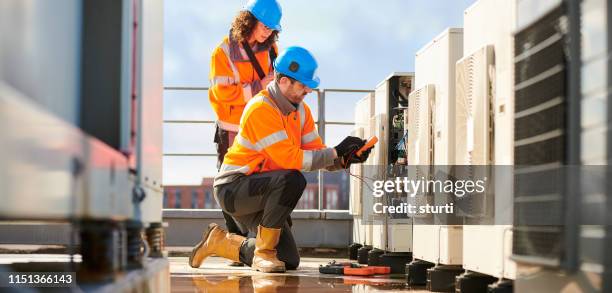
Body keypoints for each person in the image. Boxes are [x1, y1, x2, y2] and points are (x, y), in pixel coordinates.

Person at [190, 46, 372, 273]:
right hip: (234, 189)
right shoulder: (261, 109)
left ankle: (219, 242)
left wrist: (345, 158)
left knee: (287, 260)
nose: (308, 90)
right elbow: (290, 159)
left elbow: (315, 151)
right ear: (284, 81)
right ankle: (263, 255)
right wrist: (335, 152)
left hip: (264, 190)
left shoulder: (301, 111)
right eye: (303, 85)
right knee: (293, 179)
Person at [208, 0, 282, 266]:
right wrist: (259, 86)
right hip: (232, 130)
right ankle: (233, 243)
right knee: (229, 184)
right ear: (249, 20)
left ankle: (256, 244)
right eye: (264, 26)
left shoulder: (272, 48)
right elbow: (223, 93)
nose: (268, 32)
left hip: (260, 129)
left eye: (272, 29)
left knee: (261, 180)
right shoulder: (223, 52)